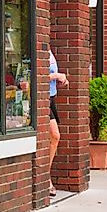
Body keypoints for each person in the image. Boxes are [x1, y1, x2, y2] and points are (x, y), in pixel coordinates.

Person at [48, 47, 68, 197]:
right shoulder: (37, 47)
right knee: (55, 135)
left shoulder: (50, 51)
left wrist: (61, 79)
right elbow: (33, 76)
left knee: (53, 138)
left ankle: (45, 175)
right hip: (41, 99)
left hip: (51, 98)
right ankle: (45, 178)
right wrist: (55, 75)